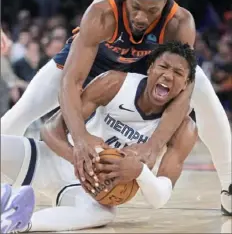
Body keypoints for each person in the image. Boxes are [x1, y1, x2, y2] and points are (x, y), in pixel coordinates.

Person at [1, 0, 231, 214]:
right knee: (21, 112)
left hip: (140, 68)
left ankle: (229, 185)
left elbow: (183, 92)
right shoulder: (102, 11)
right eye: (136, 7)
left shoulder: (179, 22)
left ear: (164, 6)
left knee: (202, 91)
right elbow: (71, 81)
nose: (142, 17)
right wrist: (80, 139)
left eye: (152, 11)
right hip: (85, 66)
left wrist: (153, 146)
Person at [1, 42, 199, 232]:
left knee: (102, 215)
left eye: (178, 73)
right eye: (163, 67)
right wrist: (78, 156)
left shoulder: (184, 130)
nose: (168, 76)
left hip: (92, 191)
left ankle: (18, 221)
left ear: (186, 85)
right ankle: (4, 197)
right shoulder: (115, 83)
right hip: (54, 160)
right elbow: (51, 128)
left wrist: (139, 172)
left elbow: (160, 198)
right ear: (150, 68)